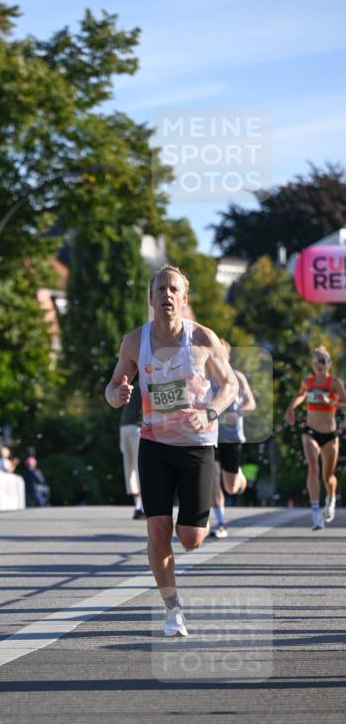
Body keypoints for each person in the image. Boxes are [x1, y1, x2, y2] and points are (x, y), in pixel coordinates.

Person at [105, 264, 237, 638]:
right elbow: (112, 390)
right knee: (157, 532)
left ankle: (202, 521)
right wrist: (118, 394)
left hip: (196, 445)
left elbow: (229, 387)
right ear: (151, 298)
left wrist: (210, 412)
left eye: (173, 289)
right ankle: (172, 609)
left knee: (191, 539)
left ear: (184, 298)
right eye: (160, 288)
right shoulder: (134, 341)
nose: (166, 294)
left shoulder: (203, 340)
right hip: (155, 444)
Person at [285, 345, 346, 529]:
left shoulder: (334, 383)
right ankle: (315, 513)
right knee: (313, 468)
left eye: (324, 361)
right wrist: (291, 408)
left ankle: (331, 498)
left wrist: (333, 401)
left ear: (329, 363)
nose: (321, 365)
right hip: (311, 431)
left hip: (330, 434)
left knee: (328, 477)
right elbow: (301, 395)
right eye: (317, 361)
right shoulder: (307, 382)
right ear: (312, 364)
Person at [209, 340, 256, 538]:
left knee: (231, 487)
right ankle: (220, 523)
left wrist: (237, 414)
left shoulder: (237, 377)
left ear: (227, 356)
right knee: (212, 478)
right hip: (209, 435)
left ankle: (240, 479)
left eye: (222, 354)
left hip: (231, 437)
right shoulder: (205, 378)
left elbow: (250, 403)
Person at [119, 380, 145, 519]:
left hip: (124, 426)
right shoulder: (150, 381)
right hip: (137, 427)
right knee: (141, 466)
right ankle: (143, 506)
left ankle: (137, 506)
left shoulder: (134, 384)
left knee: (130, 468)